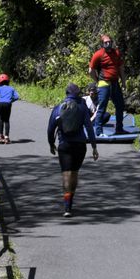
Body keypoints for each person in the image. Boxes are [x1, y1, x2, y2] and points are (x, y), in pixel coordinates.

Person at [46, 82, 98, 216]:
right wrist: (93, 146)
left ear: (67, 93)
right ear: (78, 94)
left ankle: (67, 206)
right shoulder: (82, 107)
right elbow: (89, 127)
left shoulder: (59, 107)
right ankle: (71, 201)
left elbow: (51, 128)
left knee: (66, 173)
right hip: (80, 145)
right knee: (74, 173)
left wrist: (51, 143)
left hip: (65, 144)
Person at [88, 34, 124, 135]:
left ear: (112, 42)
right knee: (102, 107)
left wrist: (124, 82)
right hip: (103, 84)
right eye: (105, 42)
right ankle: (98, 132)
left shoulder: (116, 53)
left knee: (120, 106)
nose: (108, 44)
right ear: (102, 44)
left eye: (109, 42)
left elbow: (121, 68)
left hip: (115, 83)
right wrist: (97, 81)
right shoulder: (98, 54)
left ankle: (119, 129)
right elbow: (91, 70)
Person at [0, 73, 19, 144]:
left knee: (1, 119)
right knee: (6, 120)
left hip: (0, 104)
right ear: (8, 81)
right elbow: (17, 97)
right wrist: (11, 100)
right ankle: (6, 137)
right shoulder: (11, 88)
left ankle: (0, 135)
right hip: (8, 104)